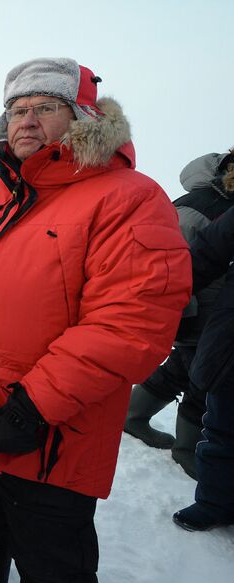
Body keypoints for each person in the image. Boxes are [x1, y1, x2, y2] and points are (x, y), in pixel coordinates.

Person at [0, 58, 191, 582]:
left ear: (82, 117)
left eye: (44, 107)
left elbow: (131, 322)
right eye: (16, 109)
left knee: (54, 567)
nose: (26, 121)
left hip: (53, 442)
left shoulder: (130, 198)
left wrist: (34, 406)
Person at [125, 150, 234, 478]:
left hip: (206, 306)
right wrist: (179, 308)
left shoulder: (217, 202)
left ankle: (133, 415)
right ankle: (187, 449)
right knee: (204, 373)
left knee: (183, 367)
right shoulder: (201, 206)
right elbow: (171, 262)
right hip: (198, 307)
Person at [173, 198, 234, 532]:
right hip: (230, 342)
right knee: (222, 426)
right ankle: (213, 503)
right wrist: (166, 295)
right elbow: (206, 253)